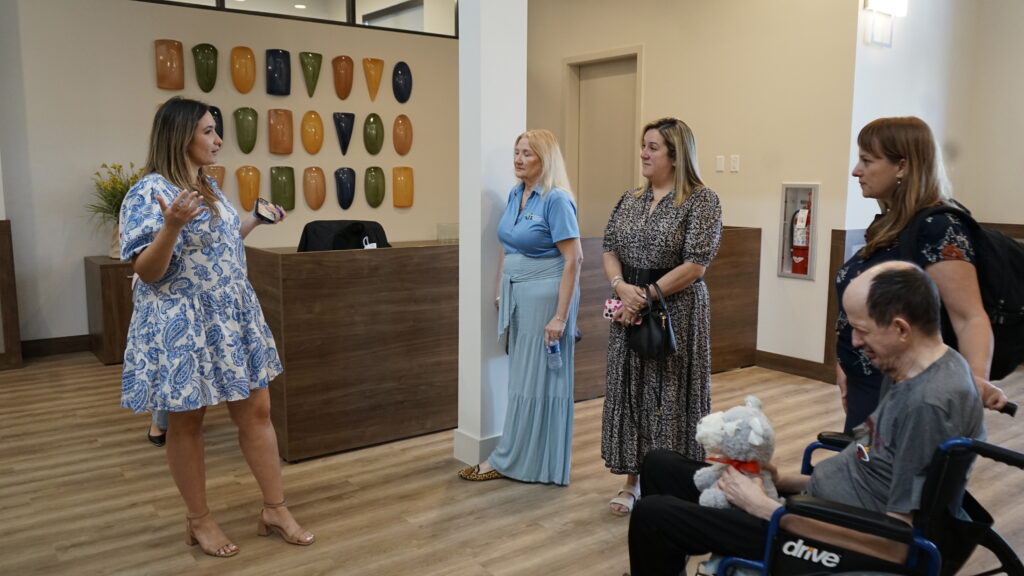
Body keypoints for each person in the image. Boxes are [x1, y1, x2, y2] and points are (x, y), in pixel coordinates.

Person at [628, 261, 985, 575]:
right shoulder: (924, 367)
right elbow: (874, 468)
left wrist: (766, 508)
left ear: (901, 329)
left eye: (862, 330)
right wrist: (782, 480)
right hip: (815, 509)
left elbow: (894, 546)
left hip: (827, 537)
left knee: (654, 516)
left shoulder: (927, 406)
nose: (855, 342)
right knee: (659, 464)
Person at [120, 97, 314, 558]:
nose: (218, 139)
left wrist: (253, 221)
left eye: (215, 130)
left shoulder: (206, 184)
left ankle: (275, 509)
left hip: (230, 314)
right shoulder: (147, 192)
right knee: (187, 422)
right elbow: (147, 270)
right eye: (208, 130)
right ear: (180, 135)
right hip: (182, 320)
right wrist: (170, 226)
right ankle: (199, 519)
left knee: (258, 411)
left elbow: (217, 245)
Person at [836, 116, 1007, 434]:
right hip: (867, 383)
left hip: (909, 391)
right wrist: (845, 363)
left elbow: (969, 317)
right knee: (862, 462)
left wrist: (972, 384)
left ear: (902, 166)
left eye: (867, 161)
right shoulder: (889, 225)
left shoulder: (938, 227)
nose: (856, 171)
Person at [600, 118, 722, 515]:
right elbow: (609, 248)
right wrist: (621, 287)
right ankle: (632, 481)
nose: (643, 153)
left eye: (653, 147)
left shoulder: (701, 200)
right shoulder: (631, 198)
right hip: (629, 306)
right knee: (631, 392)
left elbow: (696, 264)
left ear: (676, 154)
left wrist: (646, 296)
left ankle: (673, 481)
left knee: (669, 395)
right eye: (643, 145)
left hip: (676, 311)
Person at [457, 129, 582, 486]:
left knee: (541, 380)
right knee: (522, 380)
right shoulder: (517, 193)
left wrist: (560, 317)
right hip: (519, 297)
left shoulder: (556, 200)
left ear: (545, 159)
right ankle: (516, 456)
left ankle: (524, 461)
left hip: (546, 298)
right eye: (517, 152)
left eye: (527, 153)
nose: (518, 159)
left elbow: (574, 259)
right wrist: (501, 286)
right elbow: (508, 243)